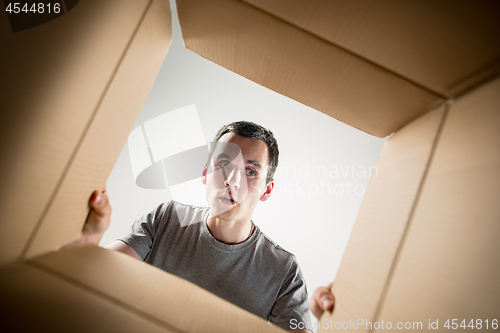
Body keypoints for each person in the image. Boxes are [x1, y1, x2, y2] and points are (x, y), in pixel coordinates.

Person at [73, 121, 335, 332]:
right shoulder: (168, 218)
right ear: (204, 173)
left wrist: (328, 321)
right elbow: (94, 278)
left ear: (267, 189)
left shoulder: (283, 271)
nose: (233, 181)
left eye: (251, 171)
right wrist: (92, 235)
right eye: (223, 164)